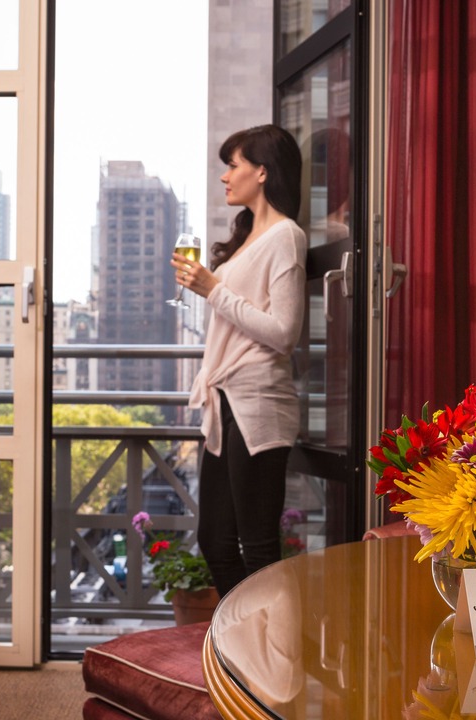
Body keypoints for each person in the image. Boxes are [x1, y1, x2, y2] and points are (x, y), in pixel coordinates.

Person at [172, 124, 307, 597]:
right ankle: (246, 645)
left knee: (257, 546)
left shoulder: (286, 237)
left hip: (258, 400)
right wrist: (209, 288)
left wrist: (213, 289)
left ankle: (266, 658)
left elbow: (284, 334)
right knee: (215, 541)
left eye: (234, 165)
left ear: (263, 172)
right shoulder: (249, 237)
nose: (226, 177)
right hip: (226, 401)